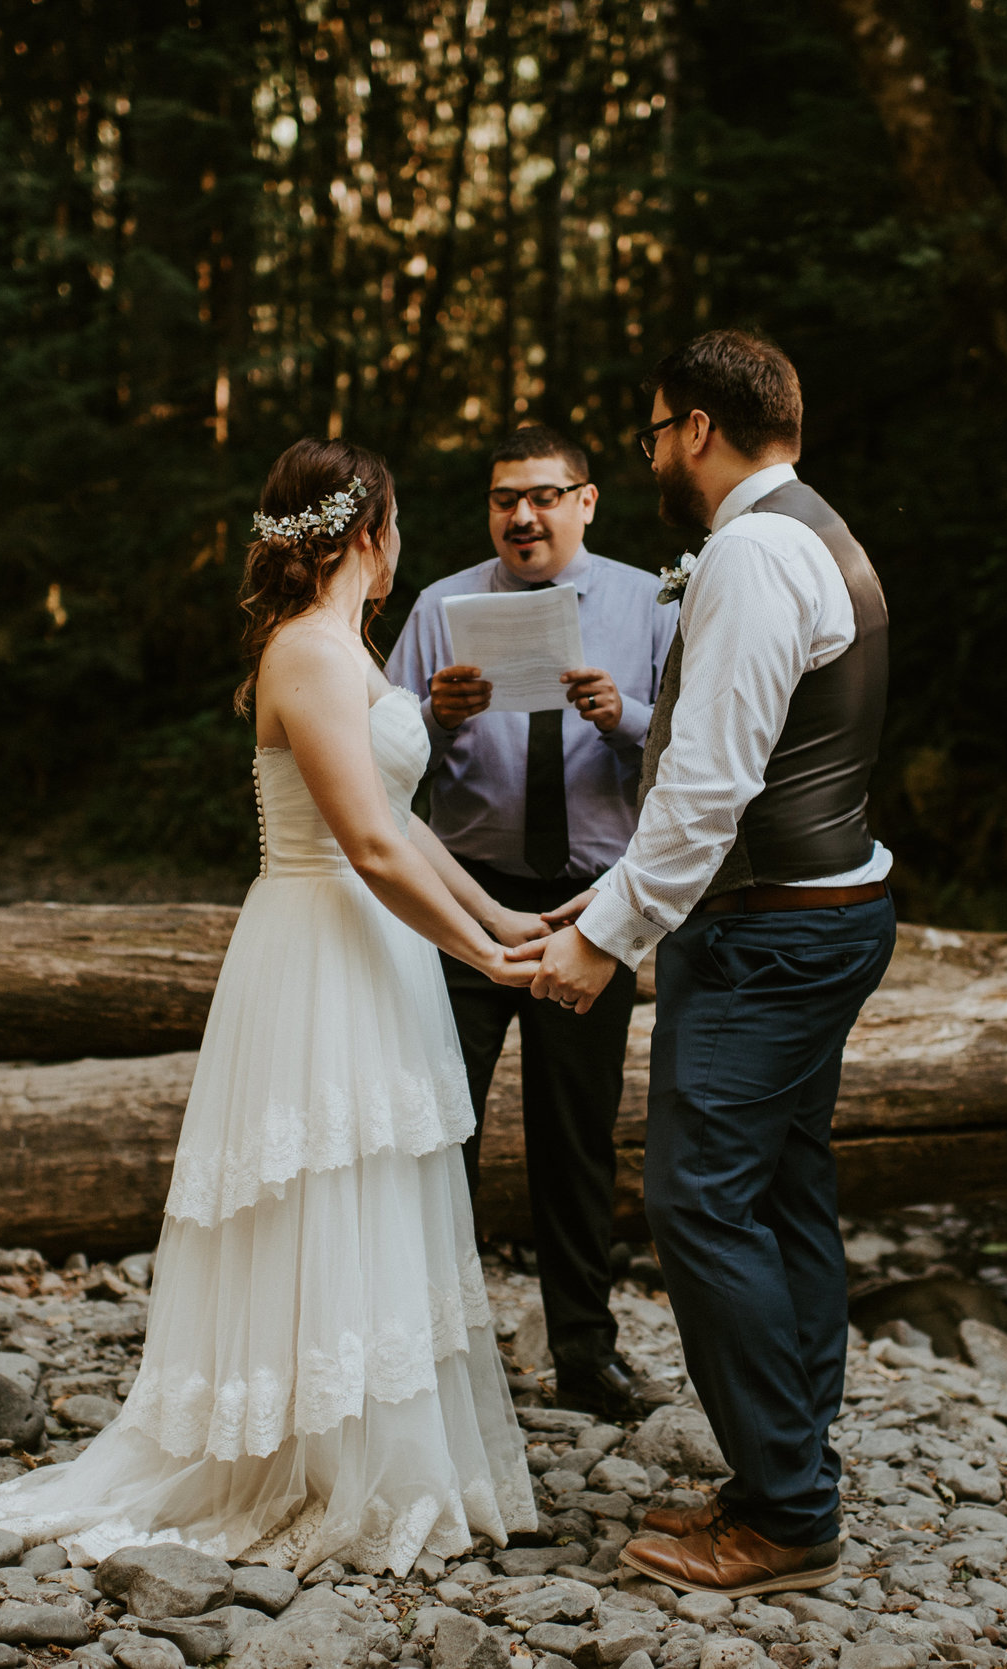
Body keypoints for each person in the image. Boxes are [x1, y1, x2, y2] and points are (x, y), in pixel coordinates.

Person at [0, 438, 540, 1576]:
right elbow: (366, 844)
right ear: (365, 532)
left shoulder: (349, 652)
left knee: (371, 1189)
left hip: (374, 949)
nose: (402, 546)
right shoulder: (308, 656)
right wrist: (483, 952)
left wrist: (504, 920)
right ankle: (299, 1457)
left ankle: (361, 1445)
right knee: (315, 1191)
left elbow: (406, 823)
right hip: (319, 944)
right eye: (399, 525)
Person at [513, 331, 897, 1599]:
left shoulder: (747, 550)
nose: (654, 455)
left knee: (698, 1202)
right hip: (818, 912)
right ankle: (786, 1464)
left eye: (653, 432)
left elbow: (709, 785)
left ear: (691, 429)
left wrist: (603, 941)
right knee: (782, 1191)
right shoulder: (816, 530)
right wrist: (612, 899)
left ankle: (786, 1513)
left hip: (769, 936)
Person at [386, 423, 679, 1422]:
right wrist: (436, 715)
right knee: (439, 1128)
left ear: (587, 501)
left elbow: (699, 754)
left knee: (576, 1135)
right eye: (505, 498)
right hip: (462, 897)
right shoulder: (438, 608)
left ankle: (585, 1357)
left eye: (545, 495)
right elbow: (373, 762)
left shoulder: (653, 604)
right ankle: (433, 1354)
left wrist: (625, 716)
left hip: (594, 909)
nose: (522, 516)